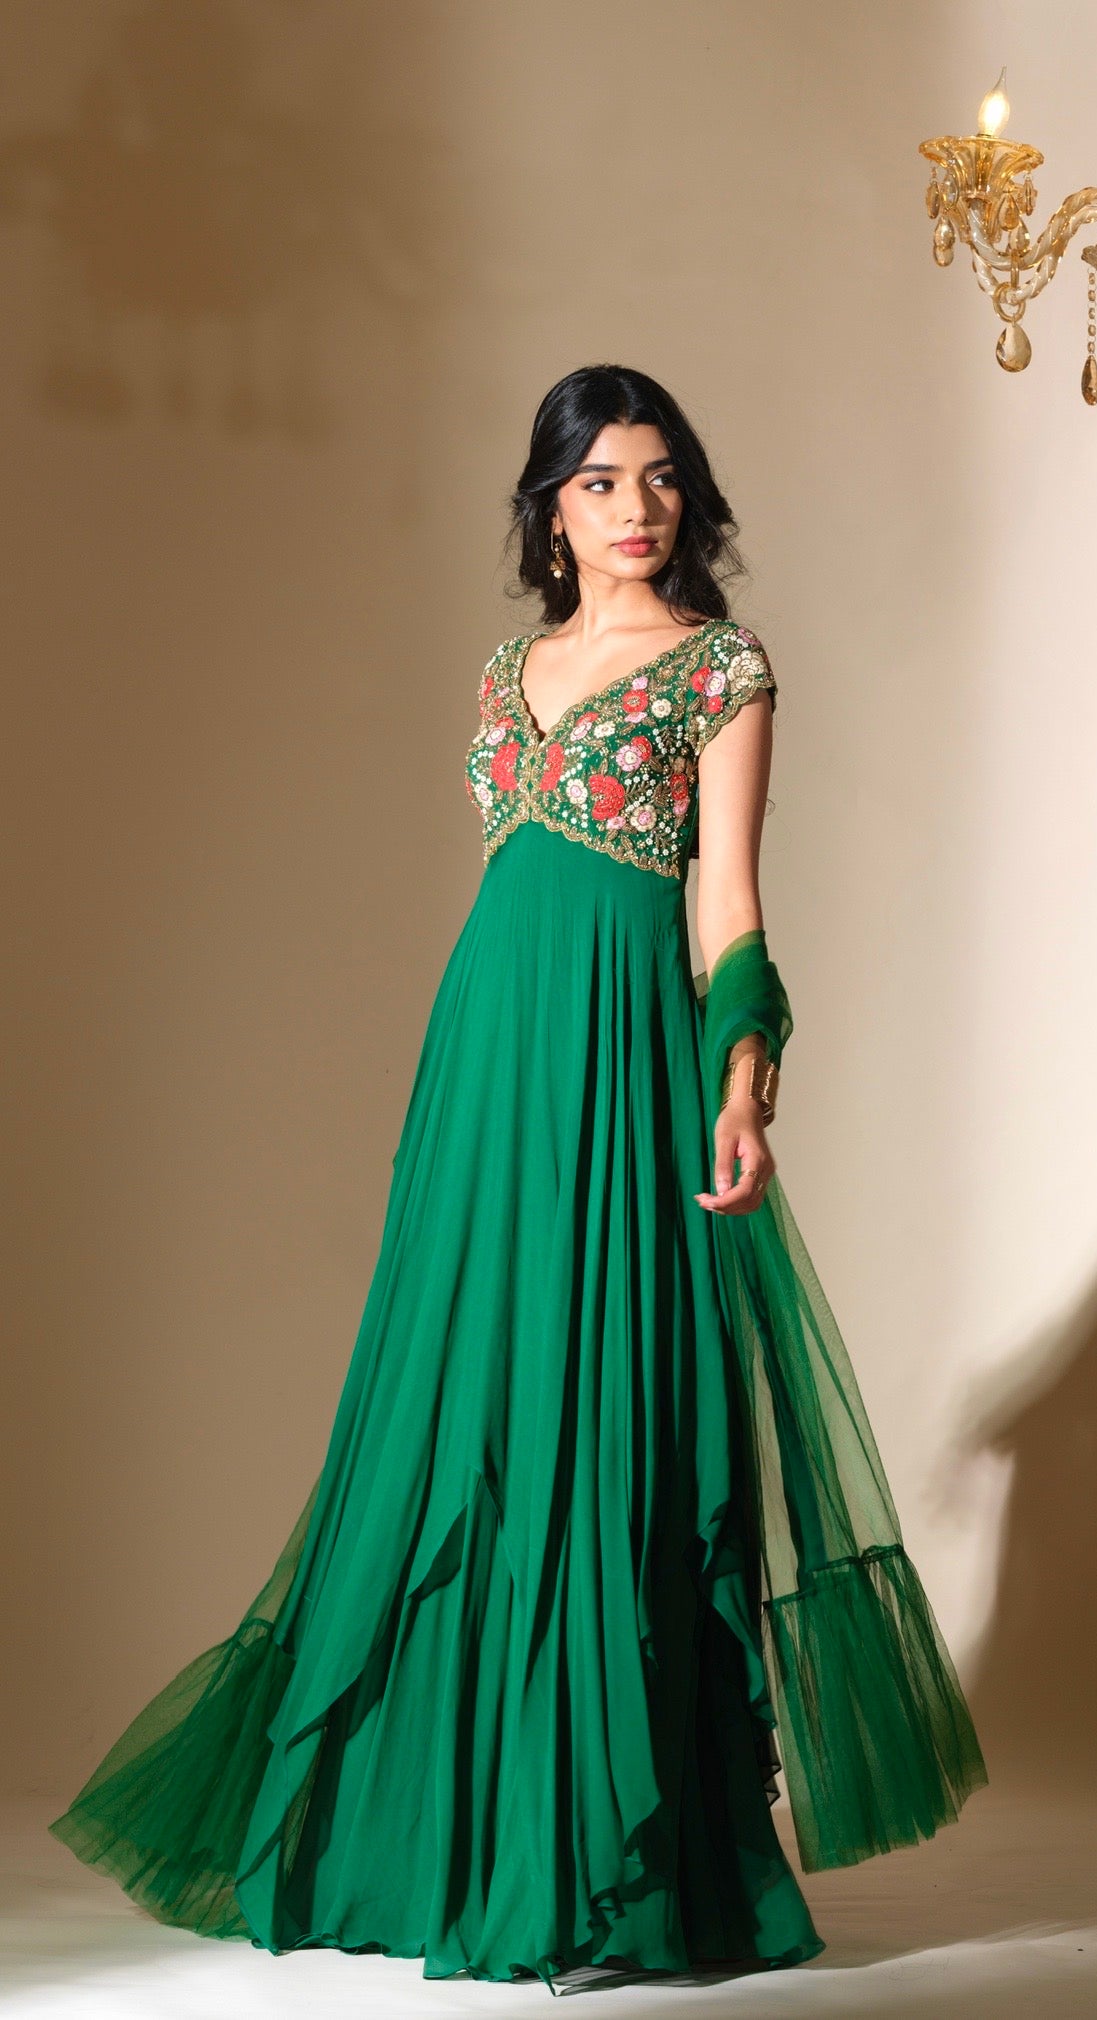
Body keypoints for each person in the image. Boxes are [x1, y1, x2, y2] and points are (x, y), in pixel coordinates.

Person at [47, 364, 986, 1988]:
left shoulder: (723, 671)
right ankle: (434, 1841)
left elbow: (728, 905)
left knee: (608, 1420)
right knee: (464, 1422)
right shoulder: (508, 676)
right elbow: (512, 890)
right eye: (604, 481)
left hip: (627, 1065)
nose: (639, 507)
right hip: (490, 1064)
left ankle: (615, 1868)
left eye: (662, 477)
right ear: (550, 506)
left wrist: (744, 1079)